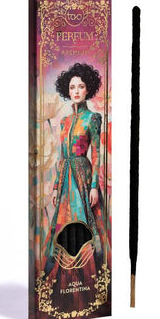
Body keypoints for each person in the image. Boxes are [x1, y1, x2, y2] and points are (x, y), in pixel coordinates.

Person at [43, 62, 109, 278]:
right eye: (72, 87)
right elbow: (62, 156)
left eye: (81, 86)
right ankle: (66, 276)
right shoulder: (65, 121)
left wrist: (94, 186)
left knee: (83, 219)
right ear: (67, 90)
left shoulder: (92, 118)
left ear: (88, 88)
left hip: (83, 177)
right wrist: (55, 187)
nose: (76, 91)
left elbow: (97, 154)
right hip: (65, 179)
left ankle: (86, 275)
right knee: (64, 222)